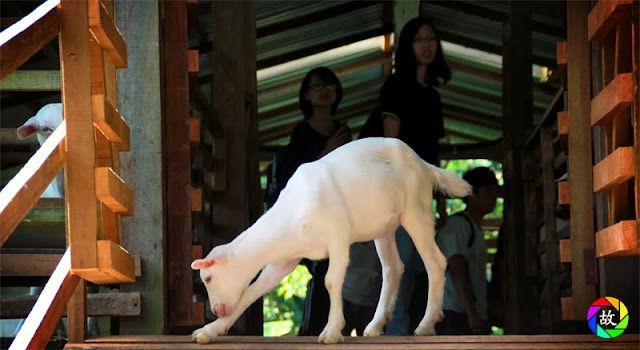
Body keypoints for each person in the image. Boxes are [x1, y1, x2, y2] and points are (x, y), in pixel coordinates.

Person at [381, 16, 451, 335]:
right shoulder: (395, 86)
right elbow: (390, 142)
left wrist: (441, 202)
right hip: (397, 191)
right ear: (408, 46)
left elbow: (433, 154)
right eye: (419, 39)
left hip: (422, 193)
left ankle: (405, 333)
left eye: (431, 38)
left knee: (416, 268)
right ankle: (395, 335)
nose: (427, 45)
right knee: (402, 266)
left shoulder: (433, 96)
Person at [279, 67, 352, 336]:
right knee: (323, 273)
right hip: (311, 218)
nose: (324, 90)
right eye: (318, 86)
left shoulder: (343, 131)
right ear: (307, 95)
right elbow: (296, 180)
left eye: (330, 85)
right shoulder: (301, 134)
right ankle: (312, 333)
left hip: (340, 215)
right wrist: (327, 152)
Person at [435, 167, 498, 335]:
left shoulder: (472, 227)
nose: (494, 195)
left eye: (495, 190)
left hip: (464, 313)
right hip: (453, 313)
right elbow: (457, 270)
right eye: (488, 189)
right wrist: (471, 314)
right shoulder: (458, 226)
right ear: (471, 193)